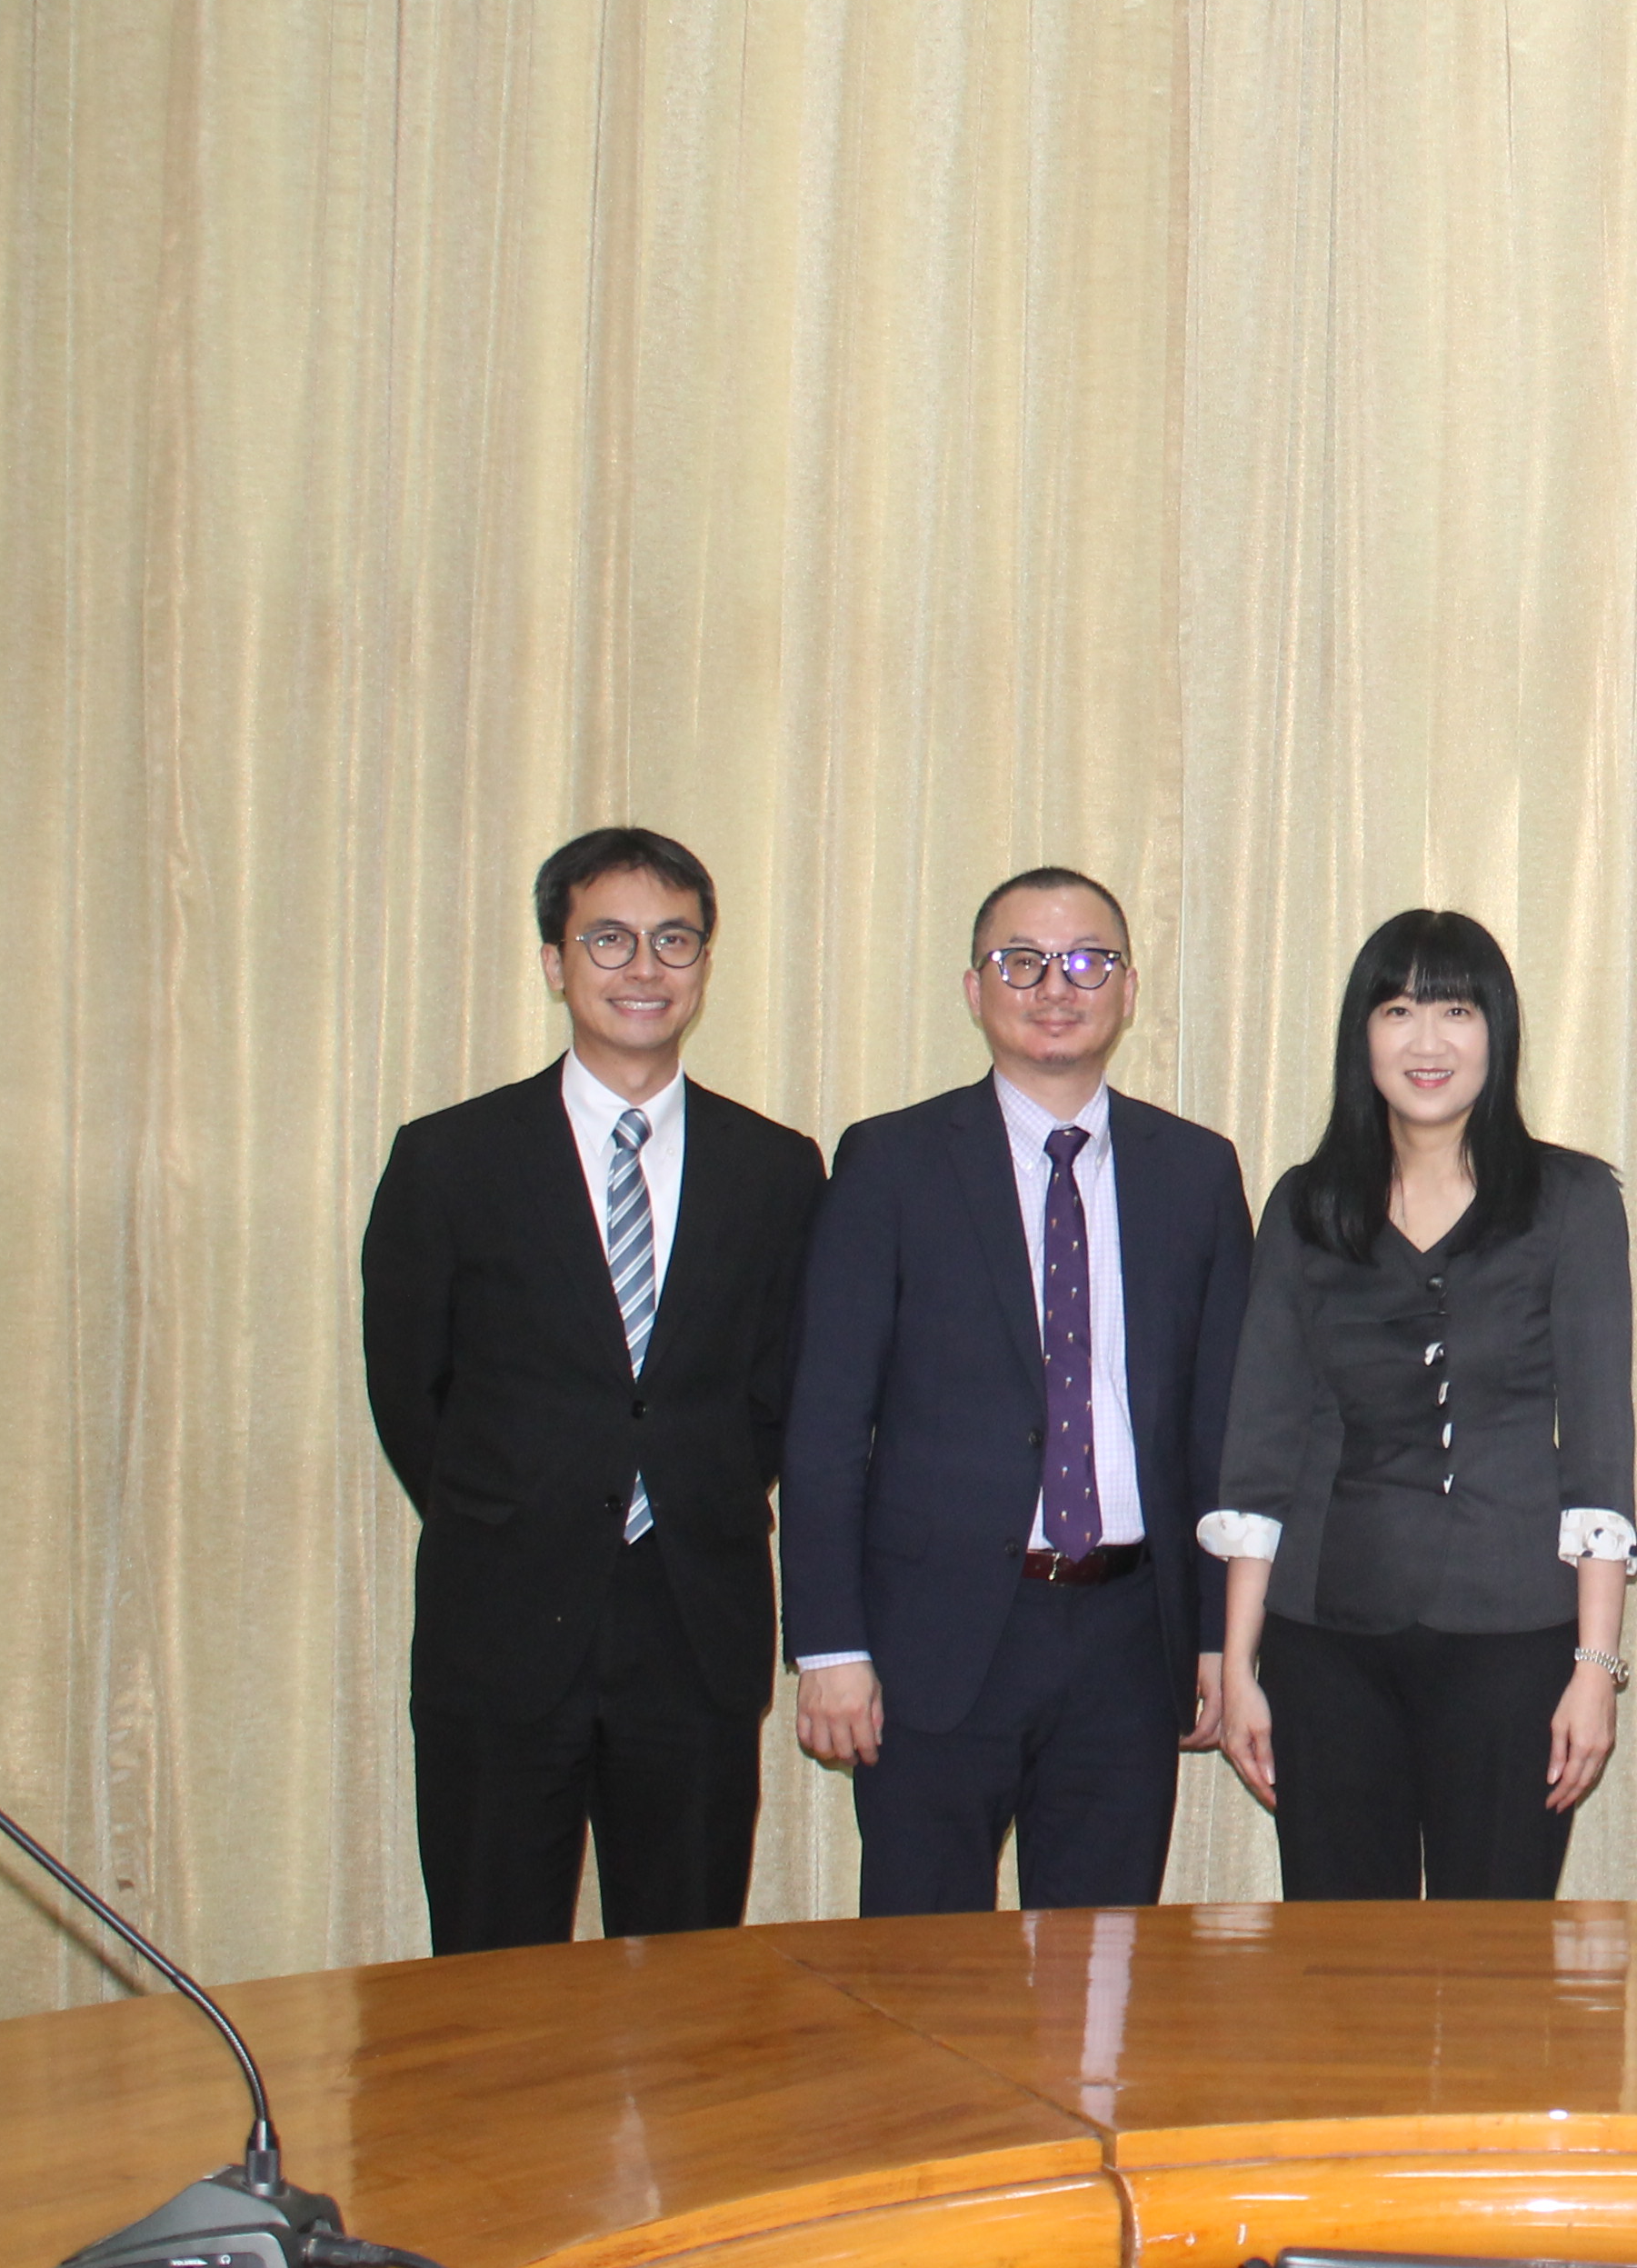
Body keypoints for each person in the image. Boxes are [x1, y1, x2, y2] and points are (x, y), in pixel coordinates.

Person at [360, 827, 824, 1953]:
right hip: (502, 1620)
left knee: (687, 1966)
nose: (643, 967)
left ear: (704, 963)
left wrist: (689, 1487)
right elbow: (409, 1386)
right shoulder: (450, 1159)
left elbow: (783, 1386)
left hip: (694, 1622)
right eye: (608, 939)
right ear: (553, 962)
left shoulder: (776, 1168)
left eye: (675, 940)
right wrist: (521, 1503)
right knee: (491, 1972)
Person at [779, 866, 1254, 1915]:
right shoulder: (891, 1162)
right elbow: (825, 1423)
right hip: (934, 1638)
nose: (1055, 987)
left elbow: (1222, 1429)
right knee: (921, 1970)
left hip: (1131, 1638)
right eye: (1022, 961)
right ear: (974, 987)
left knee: (1100, 1967)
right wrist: (830, 1643)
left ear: (1128, 988)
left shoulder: (1196, 1172)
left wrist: (1221, 1636)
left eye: (1086, 961)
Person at [1202, 909, 1637, 1897]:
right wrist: (1239, 1664)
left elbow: (1598, 1448)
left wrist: (1595, 1665)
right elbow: (1262, 1444)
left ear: (1498, 1030)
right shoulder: (1306, 1206)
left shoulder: (1572, 1200)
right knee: (1342, 1954)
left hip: (1515, 1636)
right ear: (1362, 1035)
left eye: (1456, 1010)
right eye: (1398, 1010)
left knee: (1497, 1949)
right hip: (1326, 1638)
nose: (1427, 1040)